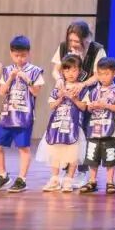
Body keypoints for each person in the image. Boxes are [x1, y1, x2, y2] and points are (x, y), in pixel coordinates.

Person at [0, 35, 45, 193]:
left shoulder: (35, 71)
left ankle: (22, 179)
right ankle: (3, 175)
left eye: (23, 55)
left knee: (23, 148)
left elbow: (36, 92)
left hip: (24, 116)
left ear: (28, 53)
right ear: (11, 53)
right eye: (16, 55)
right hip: (7, 115)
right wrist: (10, 78)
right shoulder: (7, 70)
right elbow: (1, 92)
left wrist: (27, 79)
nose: (20, 59)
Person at [79, 57, 115, 194]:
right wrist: (91, 106)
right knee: (92, 156)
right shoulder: (93, 91)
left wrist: (106, 105)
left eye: (106, 74)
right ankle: (92, 181)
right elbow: (87, 107)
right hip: (94, 129)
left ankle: (110, 182)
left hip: (111, 129)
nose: (103, 77)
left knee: (110, 157)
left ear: (114, 73)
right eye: (100, 74)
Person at [41, 56, 85, 193]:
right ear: (62, 72)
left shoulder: (81, 88)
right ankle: (54, 179)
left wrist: (74, 99)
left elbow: (84, 107)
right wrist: (60, 98)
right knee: (55, 151)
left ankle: (69, 179)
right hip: (57, 126)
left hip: (73, 126)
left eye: (74, 70)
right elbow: (51, 105)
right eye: (67, 70)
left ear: (80, 71)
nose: (70, 73)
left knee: (73, 153)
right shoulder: (58, 87)